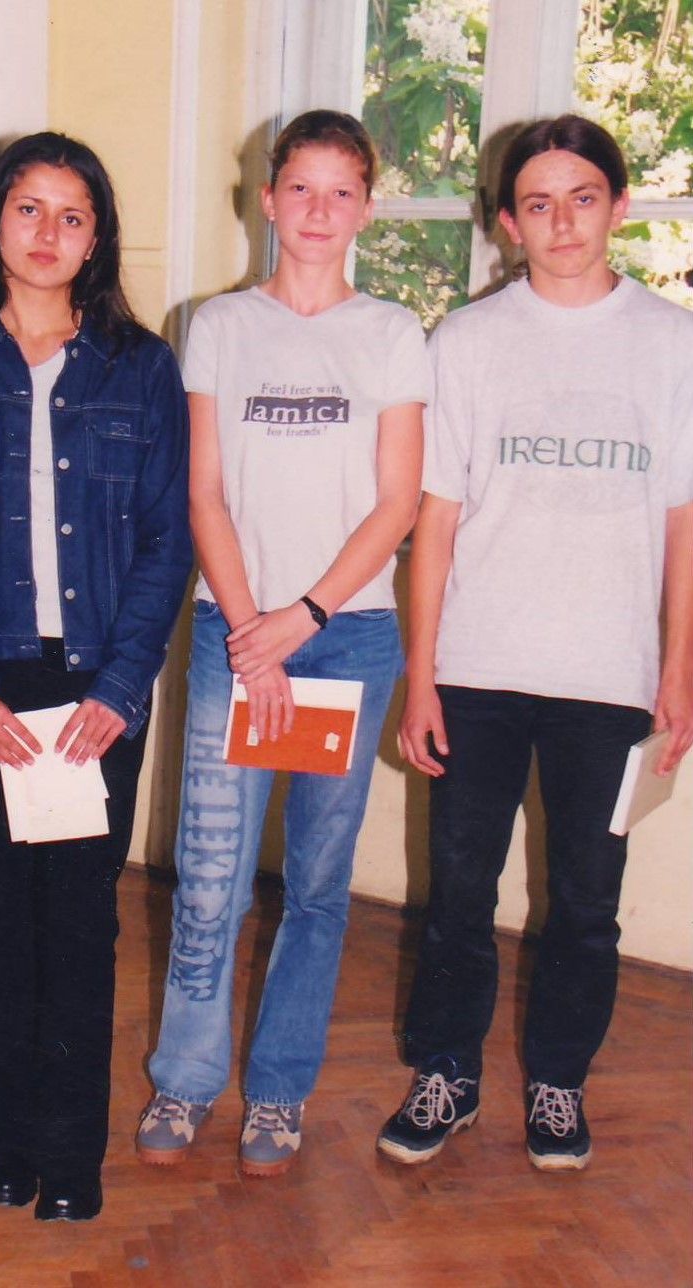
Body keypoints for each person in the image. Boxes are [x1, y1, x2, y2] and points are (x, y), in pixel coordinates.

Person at [0, 132, 192, 1219]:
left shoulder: (140, 367)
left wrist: (121, 686)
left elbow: (166, 539)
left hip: (95, 690)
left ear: (96, 236)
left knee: (80, 924)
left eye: (72, 213)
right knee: (0, 922)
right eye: (29, 208)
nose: (48, 232)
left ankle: (71, 1154)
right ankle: (8, 1143)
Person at [377, 113, 693, 1173]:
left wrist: (677, 674)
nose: (562, 223)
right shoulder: (466, 342)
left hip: (608, 681)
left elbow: (682, 523)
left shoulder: (672, 343)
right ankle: (446, 1074)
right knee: (458, 895)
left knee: (587, 904)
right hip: (476, 673)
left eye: (582, 198)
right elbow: (436, 522)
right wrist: (421, 677)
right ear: (508, 222)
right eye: (538, 204)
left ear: (619, 205)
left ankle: (557, 1082)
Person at [136, 109, 430, 1175]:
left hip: (345, 641)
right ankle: (185, 1078)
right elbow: (203, 492)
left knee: (313, 883)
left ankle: (276, 1092)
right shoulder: (217, 325)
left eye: (340, 191)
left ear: (365, 209)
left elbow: (396, 504)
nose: (317, 209)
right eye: (299, 187)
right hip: (234, 635)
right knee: (212, 870)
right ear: (266, 200)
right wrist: (247, 631)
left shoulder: (392, 333)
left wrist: (299, 620)